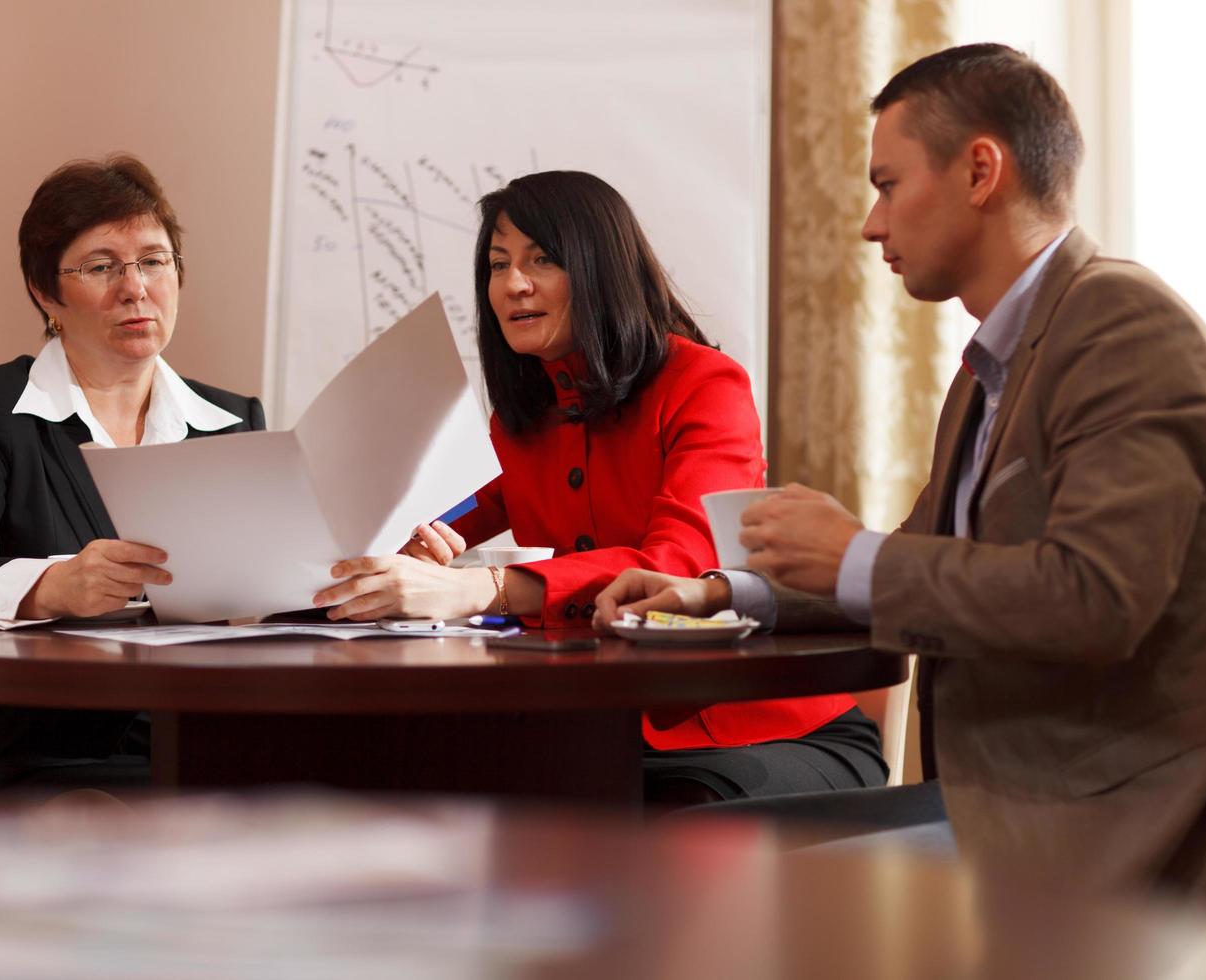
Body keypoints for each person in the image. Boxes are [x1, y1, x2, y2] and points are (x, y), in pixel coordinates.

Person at [595, 44, 1206, 900]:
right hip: (998, 802)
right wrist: (729, 593)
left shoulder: (1123, 324)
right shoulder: (989, 366)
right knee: (672, 845)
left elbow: (1097, 598)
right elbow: (919, 556)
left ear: (979, 170)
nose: (869, 224)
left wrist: (854, 554)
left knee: (688, 874)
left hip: (1109, 825)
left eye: (888, 185)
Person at [314, 170, 885, 805]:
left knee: (623, 820)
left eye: (542, 260)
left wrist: (478, 586)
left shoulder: (706, 385)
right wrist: (409, 553)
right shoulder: (523, 419)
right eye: (498, 264)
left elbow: (675, 570)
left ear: (601, 268)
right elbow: (447, 515)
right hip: (589, 729)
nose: (512, 284)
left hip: (752, 735)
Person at [0, 155, 265, 805]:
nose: (136, 287)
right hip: (13, 746)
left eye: (154, 261)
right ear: (47, 294)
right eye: (102, 266)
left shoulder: (232, 422)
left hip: (173, 747)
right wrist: (54, 585)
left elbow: (273, 589)